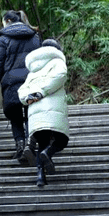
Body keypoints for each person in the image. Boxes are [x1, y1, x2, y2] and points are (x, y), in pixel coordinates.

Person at [0, 10, 41, 162]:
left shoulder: (3, 38)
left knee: (15, 116)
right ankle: (30, 145)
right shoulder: (34, 36)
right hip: (32, 82)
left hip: (12, 84)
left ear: (8, 21)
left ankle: (20, 146)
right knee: (31, 113)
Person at [18, 38, 70, 187]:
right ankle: (48, 153)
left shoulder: (33, 70)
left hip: (35, 111)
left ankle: (40, 176)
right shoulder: (57, 62)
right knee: (61, 139)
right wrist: (41, 92)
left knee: (42, 141)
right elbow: (60, 77)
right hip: (53, 107)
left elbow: (22, 90)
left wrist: (28, 98)